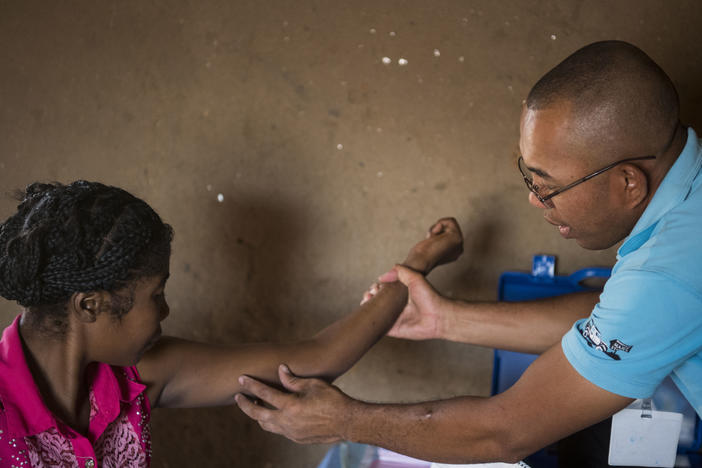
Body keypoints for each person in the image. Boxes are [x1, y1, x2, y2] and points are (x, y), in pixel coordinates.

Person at [235, 40, 702, 466]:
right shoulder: (686, 209)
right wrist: (446, 319)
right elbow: (611, 314)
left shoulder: (668, 269)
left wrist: (344, 421)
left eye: (550, 187)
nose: (535, 201)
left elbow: (506, 431)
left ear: (628, 182)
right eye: (529, 178)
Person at [0, 180, 463, 467]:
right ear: (89, 307)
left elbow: (316, 358)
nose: (164, 312)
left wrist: (414, 266)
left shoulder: (138, 374)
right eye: (155, 296)